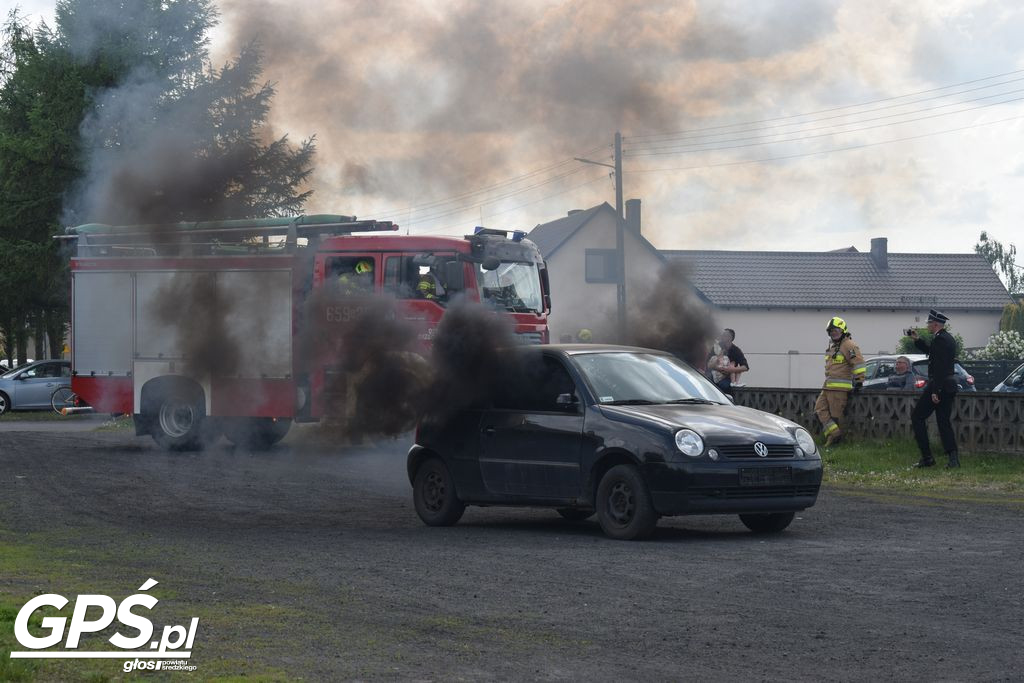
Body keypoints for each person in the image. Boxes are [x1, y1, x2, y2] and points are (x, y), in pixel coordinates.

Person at [908, 310, 960, 468]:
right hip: (947, 384)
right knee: (943, 422)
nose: (927, 326)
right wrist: (917, 340)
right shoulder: (945, 338)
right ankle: (953, 460)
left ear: (935, 324)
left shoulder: (941, 340)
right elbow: (932, 353)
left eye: (929, 323)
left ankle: (927, 457)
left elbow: (940, 367)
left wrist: (935, 391)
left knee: (917, 417)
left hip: (940, 384)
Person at [815, 317, 865, 446]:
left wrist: (859, 381)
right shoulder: (834, 346)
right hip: (827, 387)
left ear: (843, 330)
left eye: (836, 330)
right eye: (831, 331)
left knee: (837, 416)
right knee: (819, 409)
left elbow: (858, 363)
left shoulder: (849, 345)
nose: (833, 333)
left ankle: (836, 441)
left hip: (839, 389)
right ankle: (835, 435)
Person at [709, 328, 748, 395]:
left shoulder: (736, 350)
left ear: (730, 338)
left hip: (728, 378)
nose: (721, 336)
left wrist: (731, 370)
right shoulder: (716, 347)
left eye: (724, 335)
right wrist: (718, 368)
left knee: (724, 386)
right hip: (713, 375)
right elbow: (708, 364)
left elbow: (745, 367)